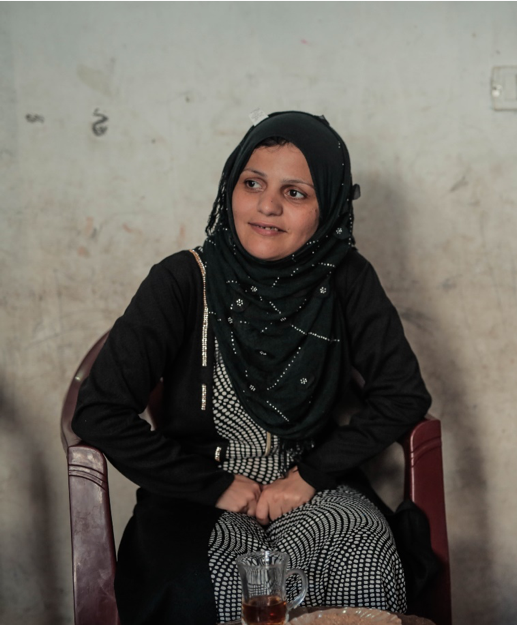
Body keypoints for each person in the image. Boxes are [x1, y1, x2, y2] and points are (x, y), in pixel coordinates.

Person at [73, 111, 432, 625]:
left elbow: (403, 395)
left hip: (312, 484)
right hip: (197, 493)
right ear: (230, 187)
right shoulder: (182, 280)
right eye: (253, 183)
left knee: (363, 552)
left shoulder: (345, 278)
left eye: (296, 193)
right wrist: (211, 484)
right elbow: (100, 412)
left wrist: (308, 476)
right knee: (204, 580)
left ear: (326, 207)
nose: (267, 205)